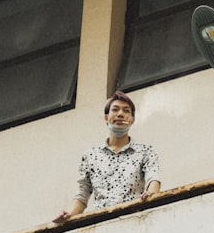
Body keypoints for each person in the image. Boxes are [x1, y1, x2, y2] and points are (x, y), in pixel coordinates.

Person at [53, 91, 161, 224]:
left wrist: (151, 194)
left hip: (134, 221)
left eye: (126, 111)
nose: (120, 114)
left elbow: (153, 179)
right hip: (100, 225)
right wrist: (68, 215)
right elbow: (82, 195)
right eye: (115, 109)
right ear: (106, 118)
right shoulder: (91, 156)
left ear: (132, 120)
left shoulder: (145, 151)